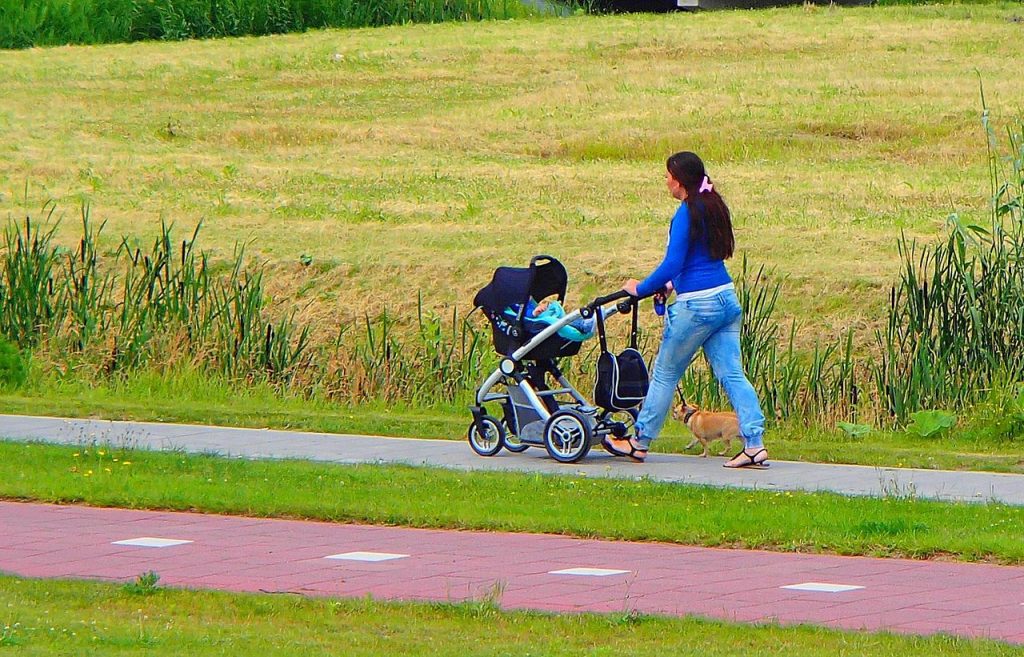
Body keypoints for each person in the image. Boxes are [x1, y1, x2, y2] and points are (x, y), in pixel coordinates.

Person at [601, 151, 768, 468]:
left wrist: (642, 287)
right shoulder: (712, 205)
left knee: (664, 374)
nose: (665, 181)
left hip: (697, 306)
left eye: (667, 176)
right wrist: (672, 285)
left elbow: (674, 262)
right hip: (725, 299)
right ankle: (754, 443)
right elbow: (699, 260)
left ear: (678, 181)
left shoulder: (685, 213)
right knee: (733, 374)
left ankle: (639, 441)